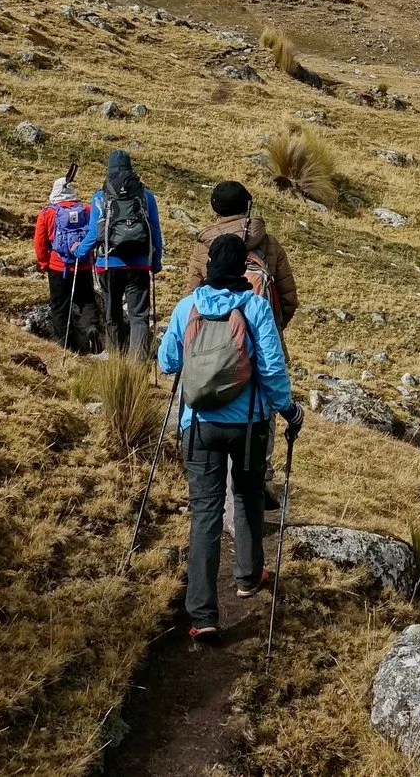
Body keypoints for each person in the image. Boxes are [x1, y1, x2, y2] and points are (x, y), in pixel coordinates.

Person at [156, 232, 300, 641]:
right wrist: (289, 410)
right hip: (249, 424)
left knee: (205, 513)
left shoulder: (188, 306)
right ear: (241, 268)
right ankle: (248, 576)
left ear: (210, 265)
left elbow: (167, 361)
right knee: (248, 495)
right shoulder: (254, 307)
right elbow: (272, 368)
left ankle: (202, 615)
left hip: (199, 425)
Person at [188, 180, 300, 329]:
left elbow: (192, 297)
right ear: (247, 205)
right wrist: (273, 328)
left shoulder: (204, 246)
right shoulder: (269, 242)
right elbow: (288, 298)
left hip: (216, 339)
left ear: (215, 208)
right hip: (264, 334)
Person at [90, 149, 164, 358]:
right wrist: (155, 261)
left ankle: (115, 359)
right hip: (139, 263)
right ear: (131, 168)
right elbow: (155, 230)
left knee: (112, 314)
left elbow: (93, 233)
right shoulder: (145, 195)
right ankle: (137, 364)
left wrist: (80, 252)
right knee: (139, 316)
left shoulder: (100, 196)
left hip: (108, 263)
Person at [33, 172, 101, 353]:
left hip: (58, 267)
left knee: (60, 306)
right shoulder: (86, 209)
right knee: (87, 300)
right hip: (83, 264)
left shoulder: (48, 213)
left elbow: (40, 242)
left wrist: (43, 263)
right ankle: (91, 329)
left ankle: (64, 345)